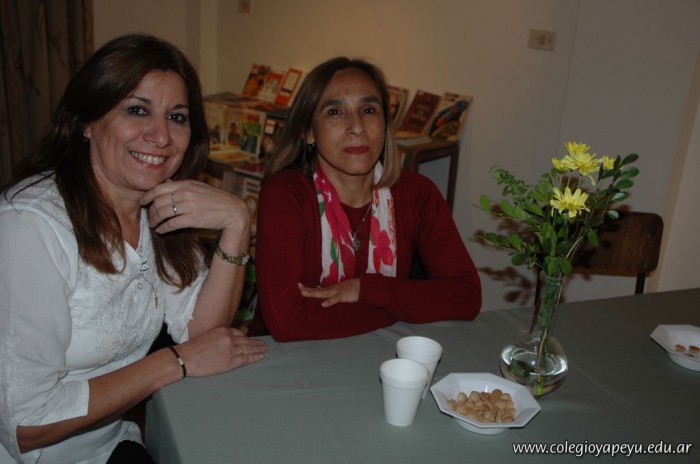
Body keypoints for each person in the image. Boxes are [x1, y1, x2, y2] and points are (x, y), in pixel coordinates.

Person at [0, 34, 268, 464]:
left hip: (113, 444)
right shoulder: (28, 226)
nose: (161, 136)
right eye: (137, 110)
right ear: (87, 121)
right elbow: (26, 423)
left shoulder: (156, 210)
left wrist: (237, 224)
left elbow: (202, 334)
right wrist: (174, 362)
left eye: (176, 117)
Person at [255, 57, 482, 342]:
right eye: (335, 112)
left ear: (385, 124)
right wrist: (403, 306)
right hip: (293, 359)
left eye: (368, 110)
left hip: (383, 353)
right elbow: (288, 323)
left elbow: (466, 296)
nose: (357, 127)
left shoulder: (417, 194)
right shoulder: (285, 194)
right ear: (309, 132)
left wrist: (366, 290)